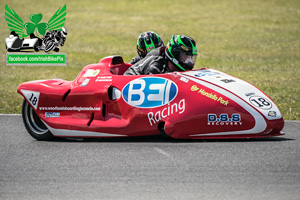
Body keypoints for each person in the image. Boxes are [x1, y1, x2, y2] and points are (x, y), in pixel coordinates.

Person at [124, 35, 197, 75]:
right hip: (128, 82)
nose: (189, 62)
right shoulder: (156, 65)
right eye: (185, 57)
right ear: (175, 54)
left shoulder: (171, 65)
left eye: (191, 58)